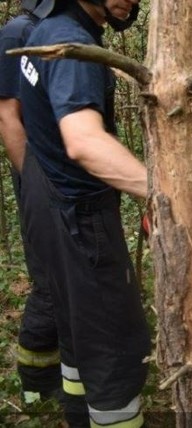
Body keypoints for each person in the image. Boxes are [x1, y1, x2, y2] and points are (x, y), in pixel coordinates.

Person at [18, 0, 150, 426]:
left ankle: (78, 413)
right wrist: (162, 193)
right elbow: (83, 141)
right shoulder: (68, 43)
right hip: (80, 216)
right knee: (113, 343)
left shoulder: (42, 30)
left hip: (49, 202)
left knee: (76, 327)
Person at [0, 0, 61, 403]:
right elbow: (7, 115)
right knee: (49, 278)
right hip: (39, 177)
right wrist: (33, 183)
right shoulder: (18, 33)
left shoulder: (61, 32)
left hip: (63, 176)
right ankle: (35, 380)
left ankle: (60, 369)